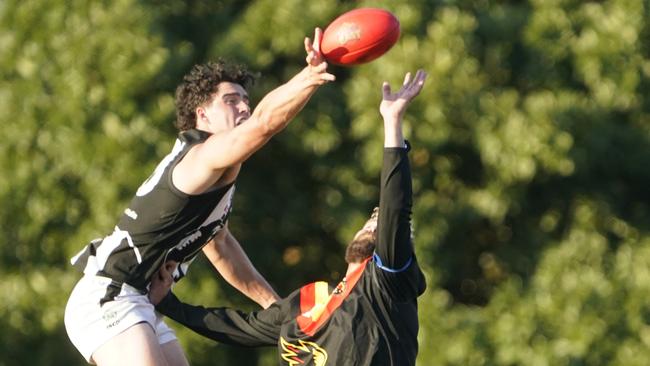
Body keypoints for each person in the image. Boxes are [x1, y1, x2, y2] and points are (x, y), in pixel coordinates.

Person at [64, 28, 335, 366]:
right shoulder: (202, 156)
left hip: (139, 301)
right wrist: (309, 77)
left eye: (246, 101)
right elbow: (265, 124)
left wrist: (277, 310)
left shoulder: (218, 172)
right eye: (231, 100)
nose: (245, 108)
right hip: (110, 295)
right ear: (202, 115)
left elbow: (220, 247)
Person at [149, 69, 428, 365]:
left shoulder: (386, 288)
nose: (376, 224)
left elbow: (396, 208)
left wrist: (393, 122)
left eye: (381, 225)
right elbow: (242, 327)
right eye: (372, 219)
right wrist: (168, 304)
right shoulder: (310, 306)